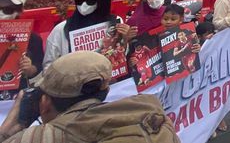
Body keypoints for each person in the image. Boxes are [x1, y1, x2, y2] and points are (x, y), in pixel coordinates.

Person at [0, 51, 178, 143]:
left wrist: (12, 127)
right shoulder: (154, 119)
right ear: (104, 89)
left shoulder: (48, 137)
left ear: (45, 103)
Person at [44, 0, 129, 69]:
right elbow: (48, 66)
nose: (84, 4)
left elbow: (120, 57)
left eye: (90, 1)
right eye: (80, 0)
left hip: (109, 79)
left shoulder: (115, 23)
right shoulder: (61, 29)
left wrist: (125, 39)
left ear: (102, 1)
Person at [0, 0, 43, 98]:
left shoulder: (33, 38)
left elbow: (37, 67)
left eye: (7, 10)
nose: (1, 13)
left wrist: (29, 68)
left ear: (18, 11)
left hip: (17, 93)